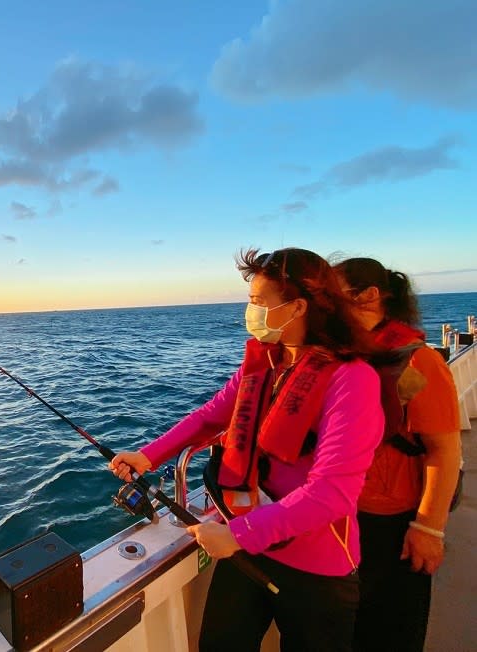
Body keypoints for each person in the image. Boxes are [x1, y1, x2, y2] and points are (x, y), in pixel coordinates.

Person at [111, 247, 384, 652]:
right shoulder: (264, 364)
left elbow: (333, 493)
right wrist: (148, 456)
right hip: (247, 548)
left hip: (315, 567)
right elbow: (210, 416)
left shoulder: (352, 379)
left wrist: (239, 534)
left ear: (298, 307)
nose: (250, 310)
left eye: (259, 302)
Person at [335, 257, 462, 652]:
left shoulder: (417, 361)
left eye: (330, 297)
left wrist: (428, 529)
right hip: (346, 515)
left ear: (369, 296)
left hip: (393, 525)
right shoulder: (346, 356)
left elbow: (444, 449)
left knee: (391, 630)